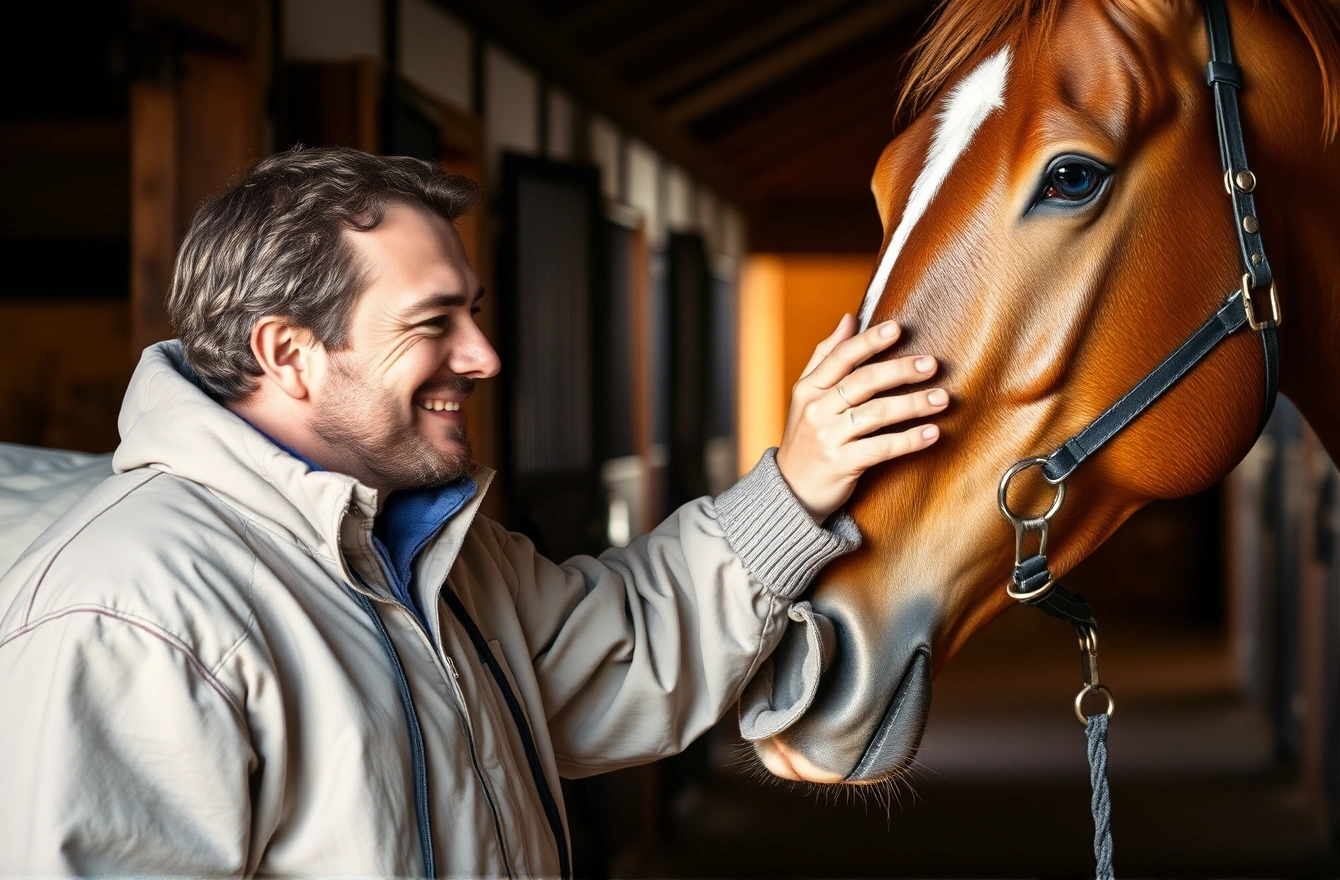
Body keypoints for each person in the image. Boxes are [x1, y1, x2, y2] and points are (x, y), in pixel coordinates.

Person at [0, 146, 948, 876]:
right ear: (288, 352)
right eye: (432, 322)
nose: (485, 356)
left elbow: (623, 654)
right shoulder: (128, 612)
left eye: (474, 312)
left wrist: (798, 489)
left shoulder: (429, 547)